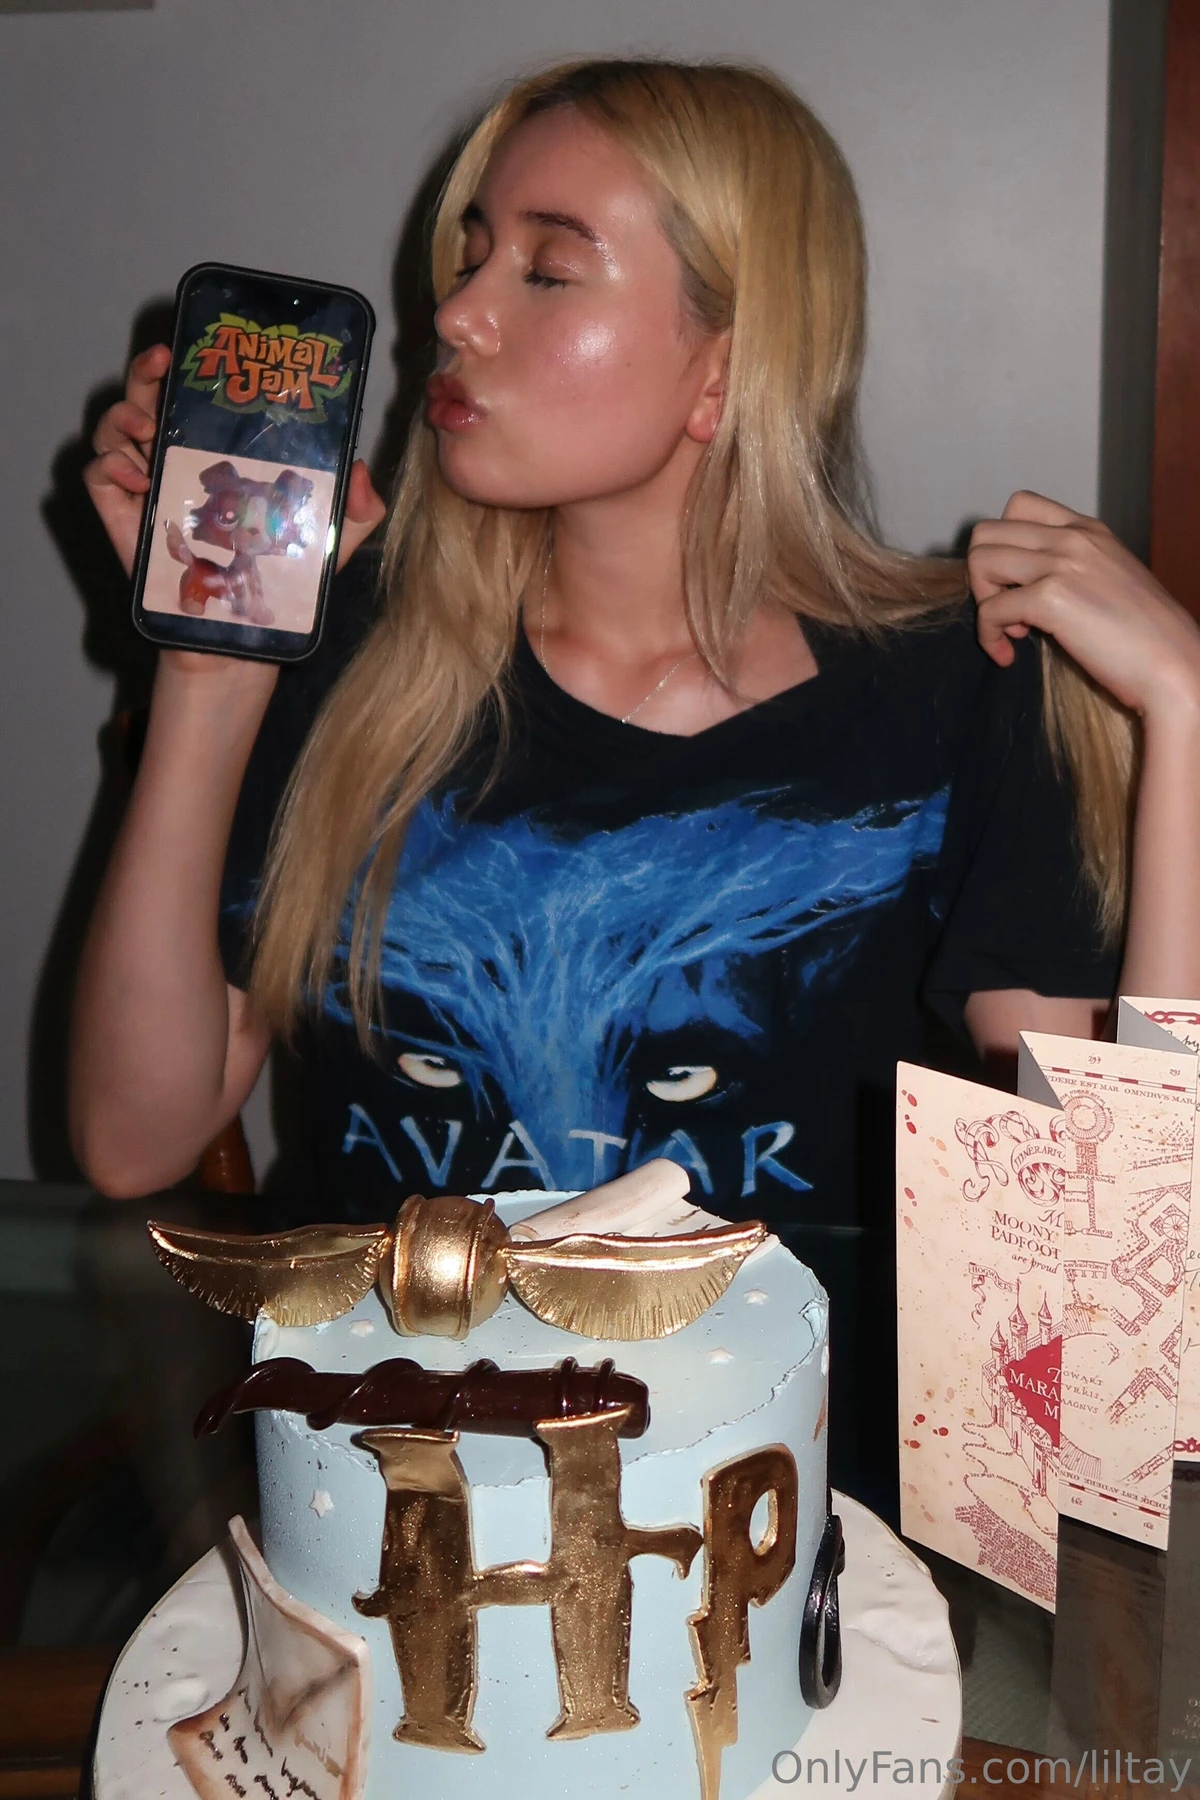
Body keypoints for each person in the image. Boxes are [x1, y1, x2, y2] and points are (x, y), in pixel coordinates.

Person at [71, 59, 1200, 1514]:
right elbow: (132, 1138)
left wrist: (1185, 718)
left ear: (727, 365)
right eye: (473, 253)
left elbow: (1109, 1296)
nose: (455, 315)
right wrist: (212, 667)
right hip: (372, 1484)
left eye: (549, 271)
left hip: (774, 1517)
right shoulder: (355, 642)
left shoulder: (960, 687)